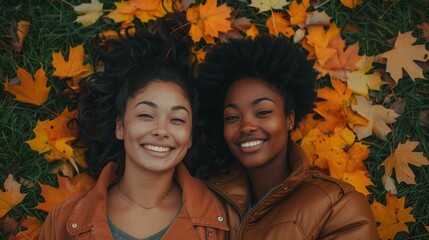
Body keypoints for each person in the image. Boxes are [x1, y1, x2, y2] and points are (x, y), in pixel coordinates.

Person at [39, 19, 228, 240]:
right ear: (120, 126)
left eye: (177, 119)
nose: (161, 130)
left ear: (190, 138)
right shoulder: (65, 219)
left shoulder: (220, 221)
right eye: (146, 115)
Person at [195, 36, 379, 239]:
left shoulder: (337, 206)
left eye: (263, 112)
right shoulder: (206, 197)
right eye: (232, 117)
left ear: (289, 119)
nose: (246, 126)